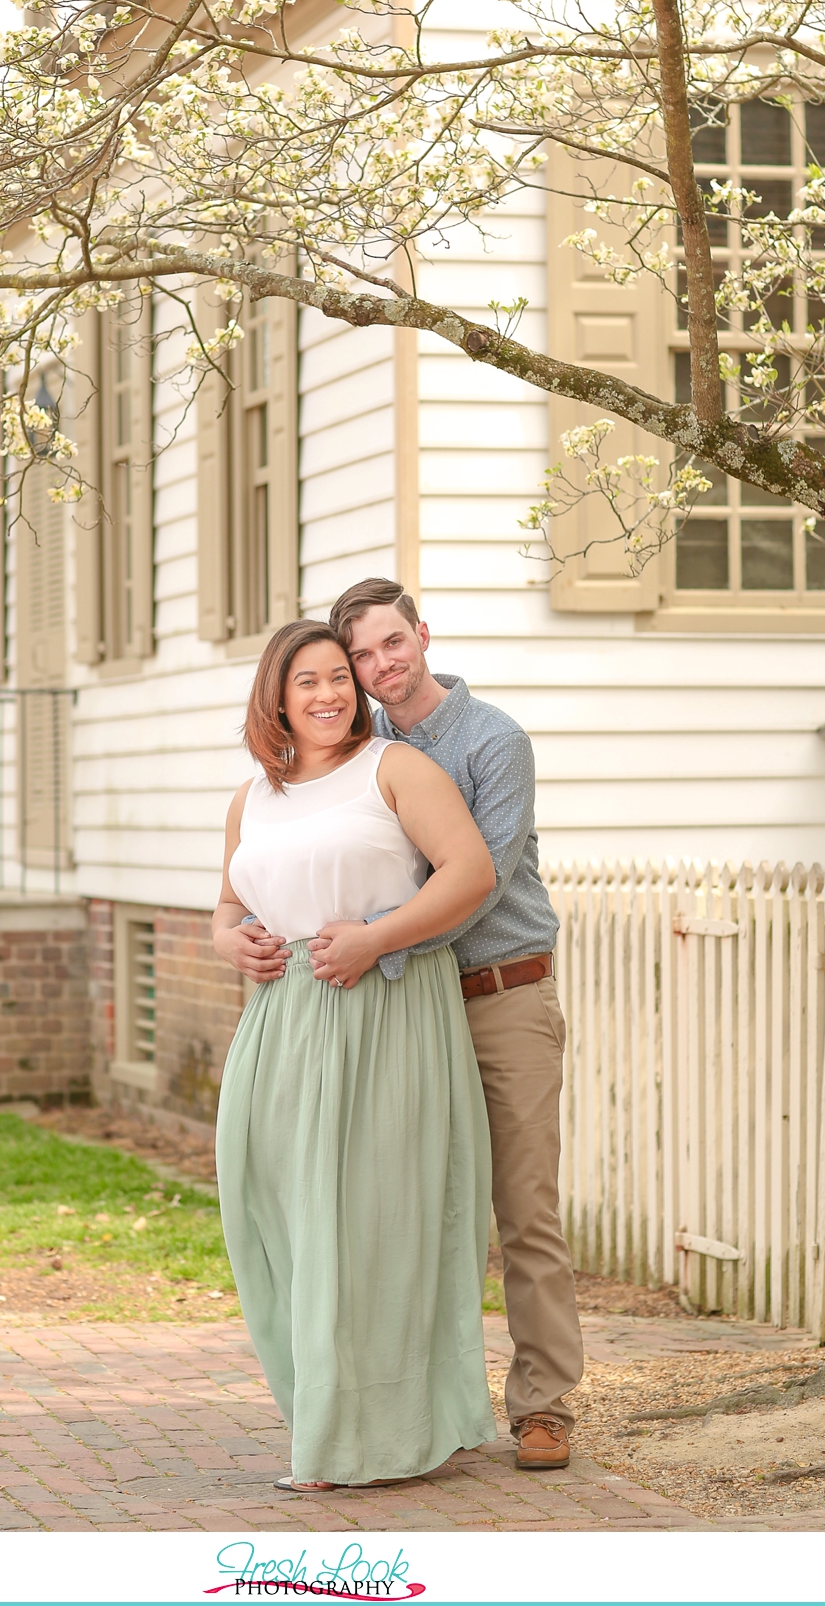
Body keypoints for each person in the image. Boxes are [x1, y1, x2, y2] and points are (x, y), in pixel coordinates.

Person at [212, 619, 498, 1492]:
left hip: (385, 1011)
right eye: (309, 680)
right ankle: (325, 1413)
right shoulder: (254, 794)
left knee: (374, 1227)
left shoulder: (396, 769)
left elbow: (470, 870)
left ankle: (373, 1433)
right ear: (278, 694)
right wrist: (234, 946)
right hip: (285, 1017)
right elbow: (225, 909)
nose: (332, 693)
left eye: (342, 676)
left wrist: (375, 938)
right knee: (280, 1217)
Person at [313, 577, 583, 1472]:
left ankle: (545, 1407)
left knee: (522, 1210)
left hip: (499, 995)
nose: (378, 665)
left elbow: (478, 882)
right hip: (407, 1004)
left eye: (392, 643)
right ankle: (425, 1403)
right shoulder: (360, 749)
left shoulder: (493, 741)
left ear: (423, 636)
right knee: (412, 1209)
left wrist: (376, 948)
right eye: (360, 654)